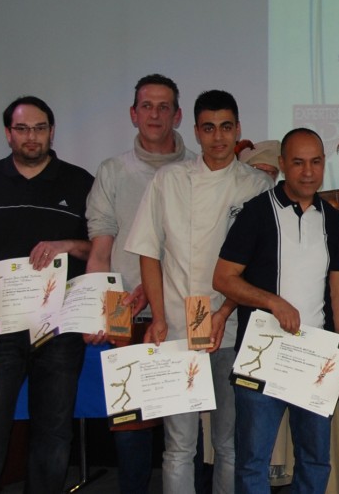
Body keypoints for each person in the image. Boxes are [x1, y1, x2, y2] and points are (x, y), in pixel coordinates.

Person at [123, 89, 271, 494]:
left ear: (238, 129)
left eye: (226, 127)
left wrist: (224, 312)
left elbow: (257, 268)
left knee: (228, 444)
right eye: (209, 128)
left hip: (232, 324)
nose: (218, 137)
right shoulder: (168, 180)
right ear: (196, 131)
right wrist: (157, 316)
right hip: (176, 326)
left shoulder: (256, 186)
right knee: (179, 447)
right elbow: (149, 252)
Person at [0, 96, 94, 494]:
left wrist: (67, 244)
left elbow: (97, 249)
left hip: (59, 329)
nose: (32, 137)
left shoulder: (80, 182)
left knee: (53, 438)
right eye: (22, 129)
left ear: (52, 131)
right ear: (8, 134)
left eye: (40, 128)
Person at [213, 127, 339, 494]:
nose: (308, 172)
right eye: (298, 162)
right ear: (282, 165)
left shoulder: (332, 218)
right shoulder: (257, 213)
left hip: (315, 358)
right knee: (253, 462)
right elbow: (224, 278)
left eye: (316, 162)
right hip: (263, 355)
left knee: (315, 459)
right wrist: (272, 301)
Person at [85, 73, 195, 493]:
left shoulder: (197, 170)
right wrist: (100, 310)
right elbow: (100, 249)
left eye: (164, 106)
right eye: (146, 106)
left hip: (185, 313)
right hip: (125, 312)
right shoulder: (113, 171)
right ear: (133, 114)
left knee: (186, 429)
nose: (155, 114)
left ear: (178, 115)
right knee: (130, 430)